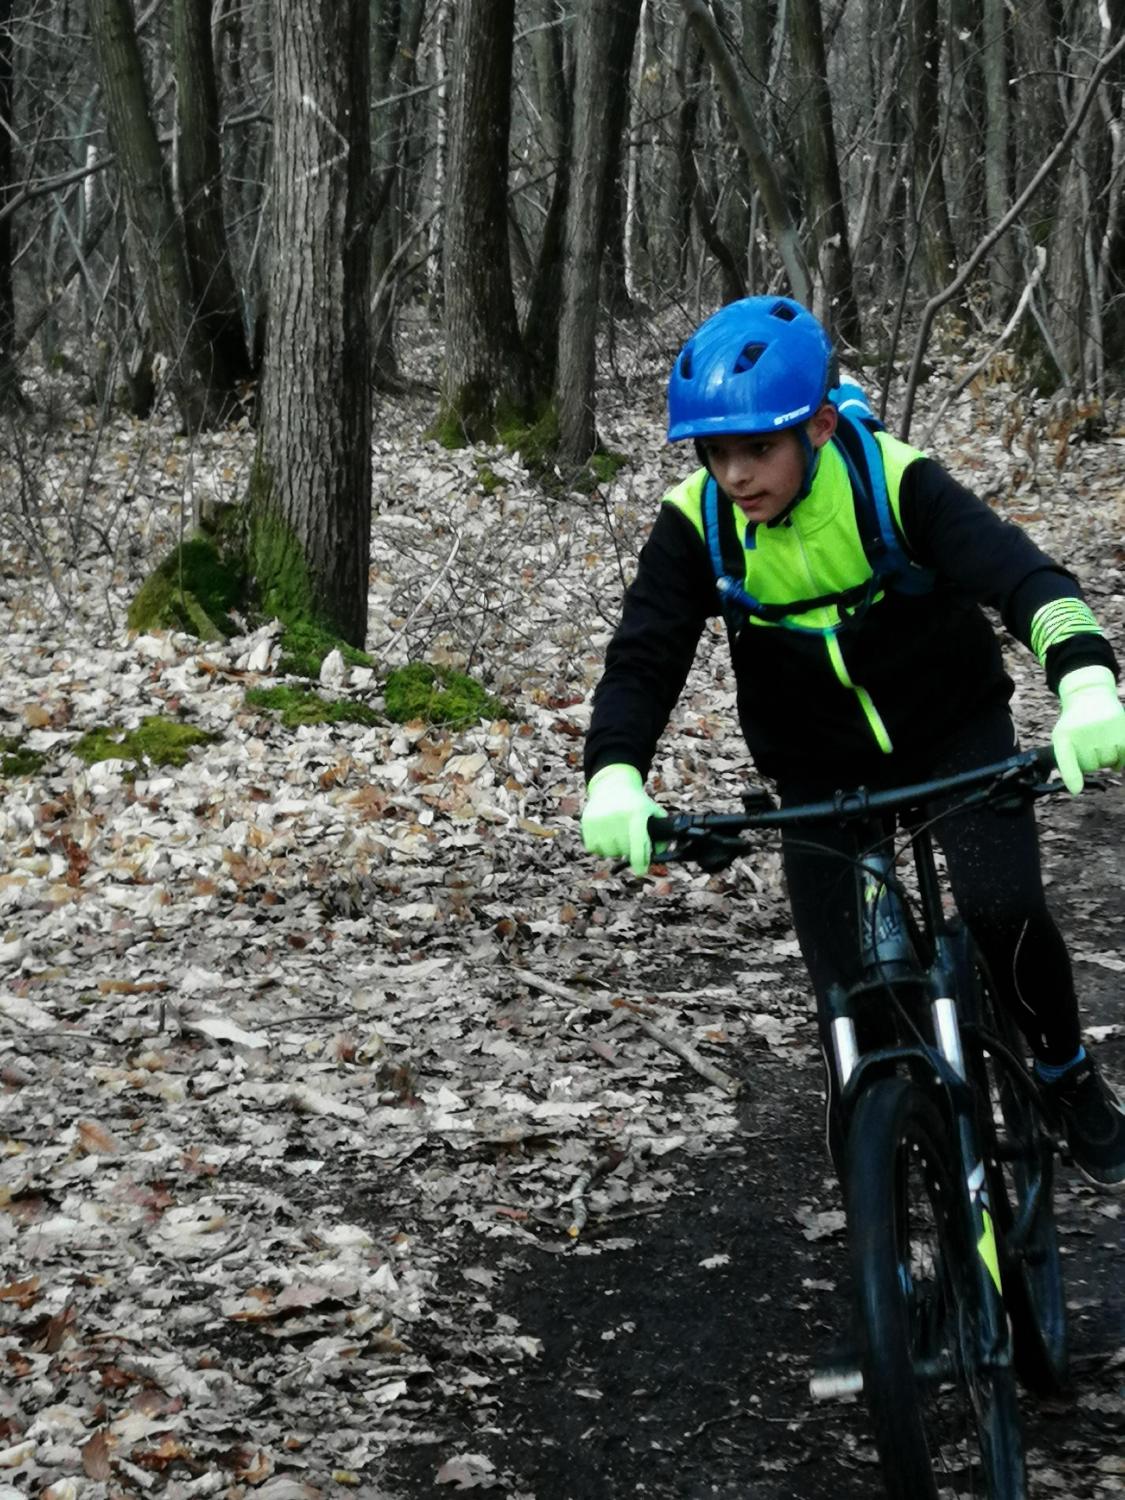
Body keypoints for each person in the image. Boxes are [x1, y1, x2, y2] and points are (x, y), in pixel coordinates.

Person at [581, 294, 1125, 1188]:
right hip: (816, 766)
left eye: (757, 447)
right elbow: (644, 657)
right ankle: (883, 1157)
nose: (735, 475)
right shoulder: (695, 523)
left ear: (819, 426)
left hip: (953, 733)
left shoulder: (893, 481)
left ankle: (1065, 1072)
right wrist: (613, 772)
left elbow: (1024, 579)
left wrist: (1085, 680)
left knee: (1000, 908)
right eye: (714, 452)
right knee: (844, 984)